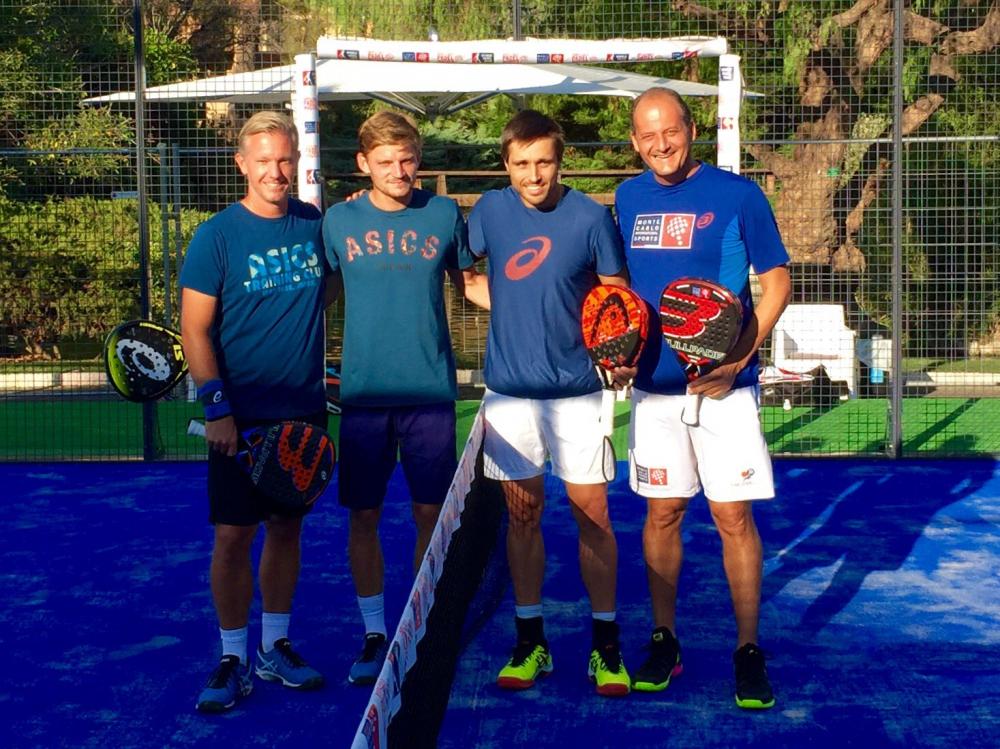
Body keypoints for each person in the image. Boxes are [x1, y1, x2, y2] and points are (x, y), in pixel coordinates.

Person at [613, 87, 791, 709]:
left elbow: (776, 282)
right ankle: (665, 639)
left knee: (732, 518)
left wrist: (740, 358)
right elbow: (619, 291)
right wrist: (616, 350)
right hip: (654, 391)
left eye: (672, 131)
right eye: (648, 134)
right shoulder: (626, 197)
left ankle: (747, 651)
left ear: (692, 130)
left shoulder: (738, 195)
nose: (661, 144)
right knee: (662, 515)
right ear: (634, 140)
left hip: (725, 393)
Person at [468, 110, 632, 697]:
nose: (533, 175)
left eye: (543, 162)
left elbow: (617, 301)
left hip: (580, 395)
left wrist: (612, 352)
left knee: (594, 517)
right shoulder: (487, 212)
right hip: (510, 396)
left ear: (559, 161)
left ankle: (606, 648)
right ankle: (530, 641)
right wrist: (510, 309)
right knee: (522, 516)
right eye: (521, 164)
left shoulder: (591, 216)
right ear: (506, 164)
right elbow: (468, 277)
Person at [321, 110, 485, 686]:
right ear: (363, 163)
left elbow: (471, 287)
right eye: (386, 161)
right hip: (363, 399)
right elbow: (318, 296)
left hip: (428, 395)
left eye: (408, 159)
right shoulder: (337, 222)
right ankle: (372, 633)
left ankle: (418, 626)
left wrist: (546, 301)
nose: (399, 171)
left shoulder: (443, 214)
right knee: (363, 515)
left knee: (429, 516)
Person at [180, 111, 330, 713]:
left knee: (286, 529)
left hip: (302, 416)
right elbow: (195, 330)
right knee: (232, 535)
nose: (277, 171)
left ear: (297, 160)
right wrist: (217, 408)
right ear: (242, 164)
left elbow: (335, 293)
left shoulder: (315, 225)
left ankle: (275, 647)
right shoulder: (215, 236)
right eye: (264, 160)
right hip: (238, 420)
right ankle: (232, 656)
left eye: (285, 159)